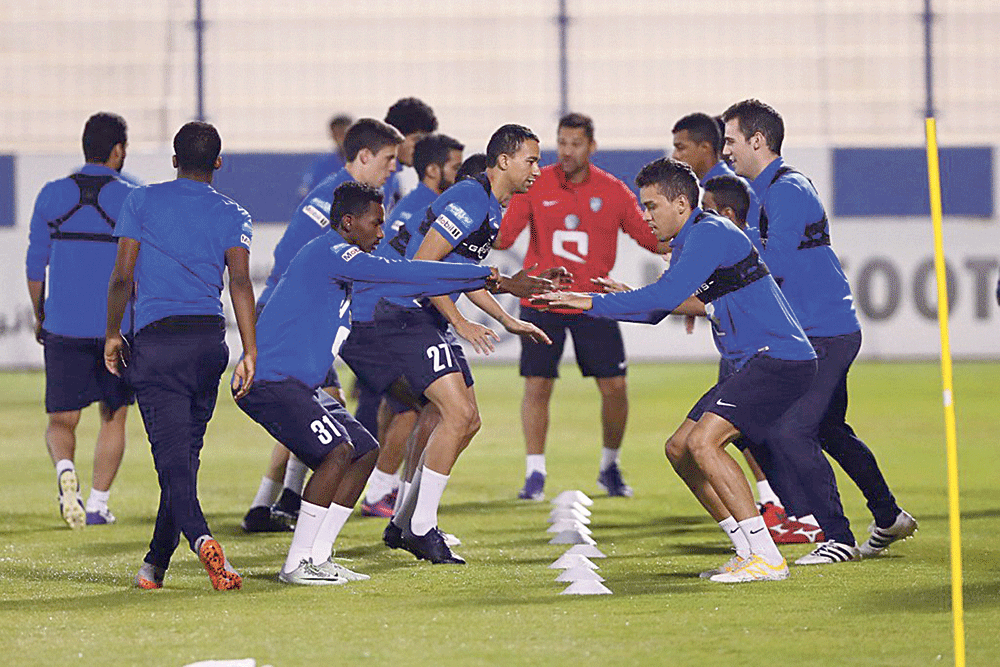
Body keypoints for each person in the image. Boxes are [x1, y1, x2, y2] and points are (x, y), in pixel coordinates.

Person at [536, 157, 818, 583]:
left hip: (778, 357)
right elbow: (658, 309)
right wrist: (612, 302)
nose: (644, 217)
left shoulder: (710, 232)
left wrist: (587, 302)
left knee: (705, 443)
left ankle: (767, 556)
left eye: (651, 206)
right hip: (753, 362)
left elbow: (664, 295)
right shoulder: (690, 242)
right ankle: (746, 548)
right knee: (680, 448)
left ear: (682, 203)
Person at [236, 182, 517, 584]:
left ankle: (319, 555)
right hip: (273, 382)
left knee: (365, 450)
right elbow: (405, 272)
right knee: (337, 452)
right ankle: (296, 564)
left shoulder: (341, 259)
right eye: (376, 223)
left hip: (298, 385)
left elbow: (409, 278)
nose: (382, 234)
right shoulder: (335, 252)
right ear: (349, 223)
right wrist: (489, 276)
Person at [722, 99, 917, 564]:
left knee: (791, 430)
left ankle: (837, 537)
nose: (725, 150)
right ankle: (888, 517)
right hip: (817, 331)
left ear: (758, 141)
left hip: (823, 333)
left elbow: (776, 268)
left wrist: (713, 277)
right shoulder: (767, 194)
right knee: (828, 429)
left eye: (730, 140)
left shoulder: (786, 191)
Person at [379, 124, 552, 564]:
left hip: (425, 317)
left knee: (462, 420)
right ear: (504, 160)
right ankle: (421, 527)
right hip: (407, 314)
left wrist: (506, 319)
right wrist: (459, 322)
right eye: (531, 160)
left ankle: (403, 524)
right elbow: (422, 266)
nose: (538, 168)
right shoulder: (471, 198)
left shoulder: (491, 207)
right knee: (458, 414)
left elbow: (463, 273)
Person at [104, 121, 257, 591]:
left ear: (174, 160)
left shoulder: (141, 200)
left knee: (172, 463)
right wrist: (250, 350)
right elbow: (240, 284)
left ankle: (201, 537)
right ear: (217, 162)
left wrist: (112, 332)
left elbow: (122, 277)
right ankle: (154, 566)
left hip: (157, 343)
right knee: (183, 460)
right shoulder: (234, 213)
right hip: (208, 344)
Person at [241, 118, 404, 533]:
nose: (394, 168)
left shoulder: (351, 196)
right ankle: (290, 506)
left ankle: (273, 502)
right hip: (294, 320)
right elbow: (288, 256)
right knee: (320, 412)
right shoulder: (328, 199)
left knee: (312, 412)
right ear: (364, 157)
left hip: (308, 319)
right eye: (388, 160)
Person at [496, 112, 669, 501]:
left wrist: (691, 242)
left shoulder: (612, 190)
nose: (567, 150)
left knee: (615, 387)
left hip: (594, 301)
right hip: (542, 299)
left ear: (591, 146)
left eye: (576, 143)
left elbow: (649, 237)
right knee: (537, 387)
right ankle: (534, 473)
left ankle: (610, 466)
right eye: (562, 142)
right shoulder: (534, 186)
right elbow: (505, 238)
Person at [346, 133, 466, 518]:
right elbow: (423, 273)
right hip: (376, 316)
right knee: (423, 405)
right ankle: (386, 493)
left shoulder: (412, 204)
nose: (462, 176)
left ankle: (390, 490)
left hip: (370, 314)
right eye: (455, 167)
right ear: (433, 170)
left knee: (403, 403)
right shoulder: (435, 210)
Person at [26, 112, 136, 528]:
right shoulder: (131, 198)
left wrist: (41, 316)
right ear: (118, 150)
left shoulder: (51, 194)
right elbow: (134, 272)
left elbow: (36, 266)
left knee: (61, 420)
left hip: (63, 325)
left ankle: (64, 471)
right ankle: (97, 503)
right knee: (114, 414)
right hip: (114, 329)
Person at [383, 98, 438, 213]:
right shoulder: (379, 179)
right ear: (395, 136)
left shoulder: (393, 178)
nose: (423, 147)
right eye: (417, 140)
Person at [297, 113, 353, 199]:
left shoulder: (362, 160)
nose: (340, 138)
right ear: (332, 135)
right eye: (337, 133)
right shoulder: (322, 162)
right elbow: (307, 190)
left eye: (343, 133)